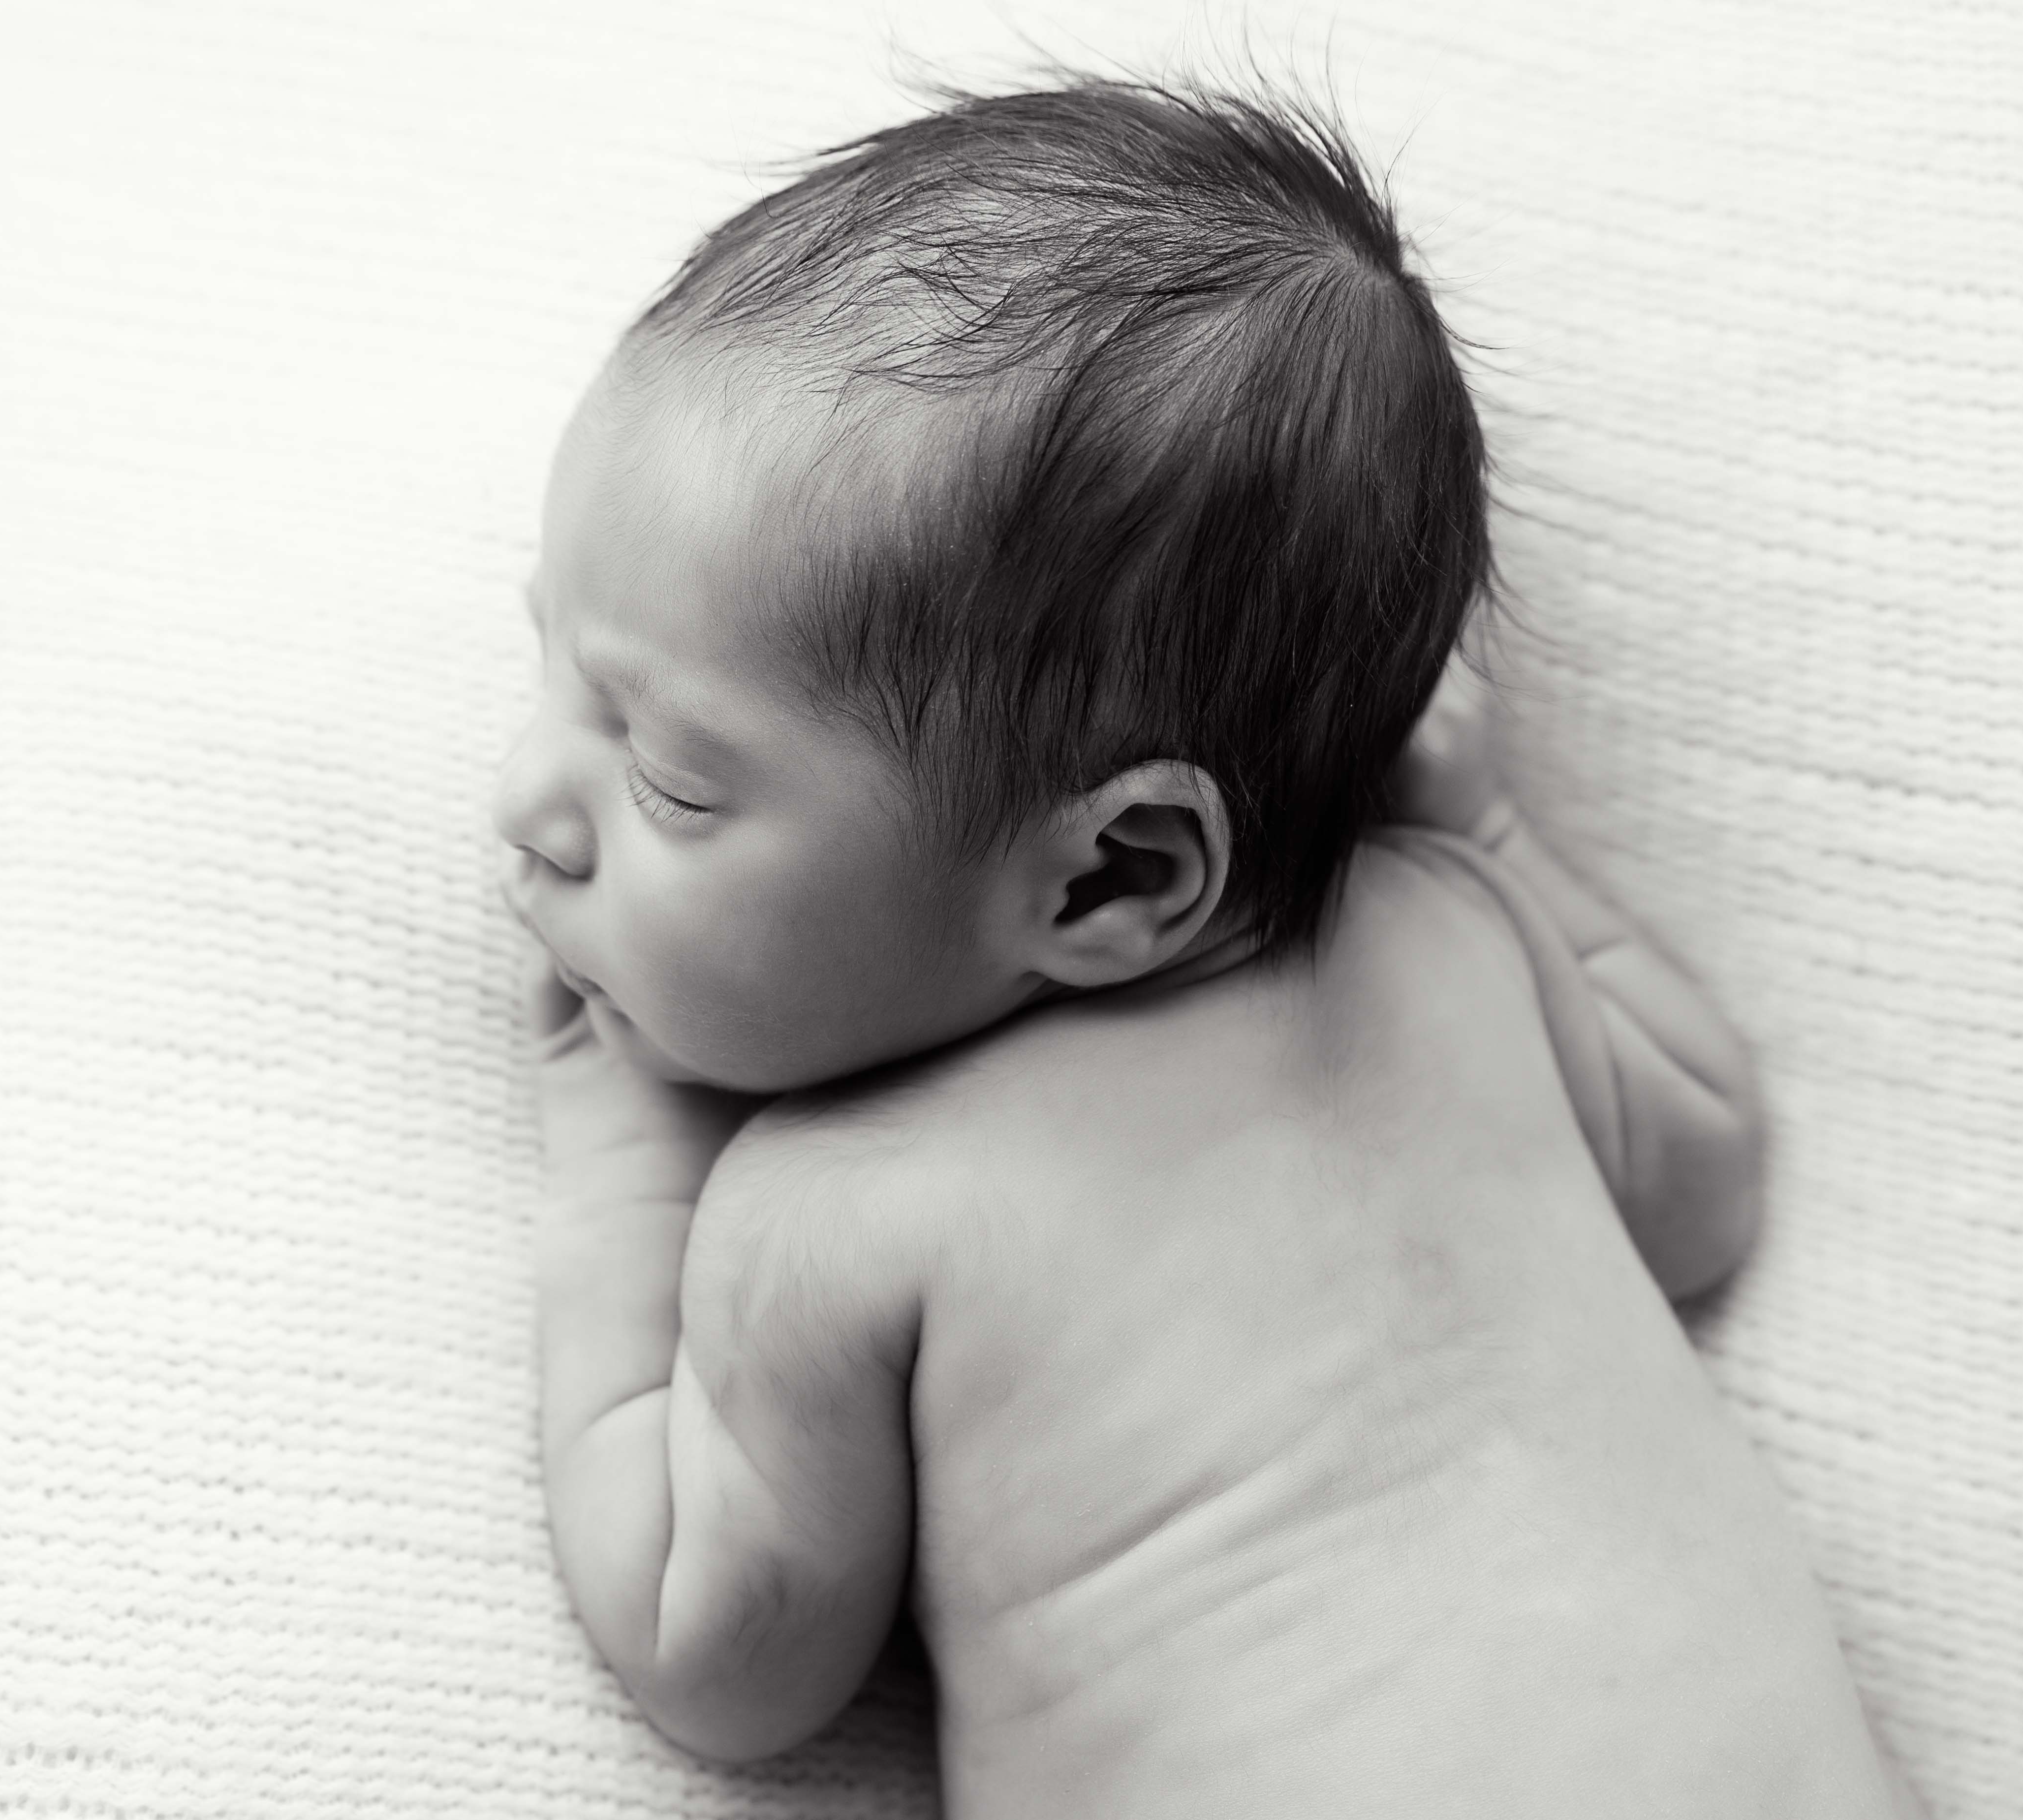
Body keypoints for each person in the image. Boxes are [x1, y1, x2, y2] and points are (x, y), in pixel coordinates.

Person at [495, 78, 1916, 1818]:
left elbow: (719, 1651)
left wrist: (616, 1161)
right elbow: (1695, 1184)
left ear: (1114, 878)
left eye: (665, 775)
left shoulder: (835, 1212)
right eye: (553, 668)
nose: (525, 798)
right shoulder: (1446, 938)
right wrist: (1491, 832)